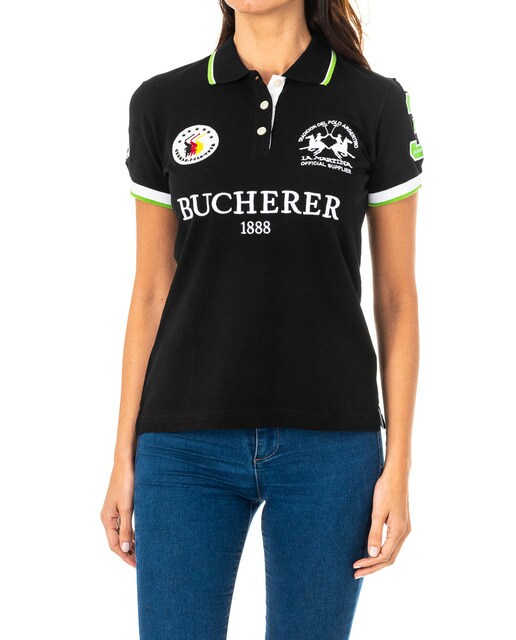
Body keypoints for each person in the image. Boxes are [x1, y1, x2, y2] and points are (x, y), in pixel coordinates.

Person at [100, 0, 423, 637]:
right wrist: (122, 456)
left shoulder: (375, 103)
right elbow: (151, 291)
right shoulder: (162, 103)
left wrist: (400, 467)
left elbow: (396, 298)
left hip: (331, 446)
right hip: (182, 443)